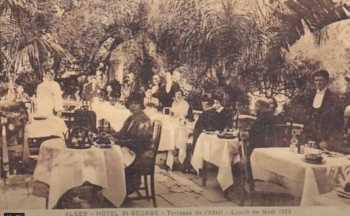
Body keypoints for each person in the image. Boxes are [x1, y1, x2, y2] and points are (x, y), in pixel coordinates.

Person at [113, 95, 153, 194]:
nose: (132, 106)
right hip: (130, 148)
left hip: (139, 153)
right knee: (111, 155)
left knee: (114, 159)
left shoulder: (144, 120)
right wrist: (110, 135)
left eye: (136, 104)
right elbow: (122, 133)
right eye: (131, 104)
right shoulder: (131, 118)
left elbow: (139, 142)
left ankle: (123, 189)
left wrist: (119, 142)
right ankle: (115, 188)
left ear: (141, 105)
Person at [304, 69, 343, 151]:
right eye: (316, 80)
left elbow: (336, 122)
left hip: (325, 140)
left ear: (326, 81)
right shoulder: (310, 96)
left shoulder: (333, 98)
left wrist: (327, 140)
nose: (318, 83)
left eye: (321, 80)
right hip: (310, 138)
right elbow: (308, 117)